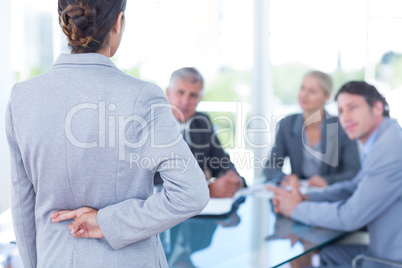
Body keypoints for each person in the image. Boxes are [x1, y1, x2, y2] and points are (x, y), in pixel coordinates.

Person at [5, 1, 209, 267]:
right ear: (118, 22)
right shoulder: (143, 97)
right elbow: (191, 195)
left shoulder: (22, 97)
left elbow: (22, 207)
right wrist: (105, 222)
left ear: (63, 21)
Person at [268, 81, 402, 266]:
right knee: (330, 253)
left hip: (390, 261)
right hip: (383, 248)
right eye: (341, 111)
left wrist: (295, 209)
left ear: (378, 108)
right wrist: (307, 199)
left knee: (321, 254)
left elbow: (350, 216)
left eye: (352, 108)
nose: (345, 118)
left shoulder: (389, 149)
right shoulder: (384, 137)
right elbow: (355, 186)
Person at [154, 67, 245, 198]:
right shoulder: (153, 125)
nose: (185, 101)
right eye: (180, 92)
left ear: (200, 98)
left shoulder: (202, 122)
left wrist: (234, 179)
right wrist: (207, 190)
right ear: (168, 93)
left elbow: (221, 162)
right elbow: (153, 183)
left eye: (193, 95)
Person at [264, 71, 360, 188]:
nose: (304, 95)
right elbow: (271, 166)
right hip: (299, 193)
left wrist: (328, 180)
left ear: (327, 96)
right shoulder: (287, 124)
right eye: (302, 88)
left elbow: (353, 171)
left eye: (312, 91)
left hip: (331, 195)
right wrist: (285, 178)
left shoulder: (341, 127)